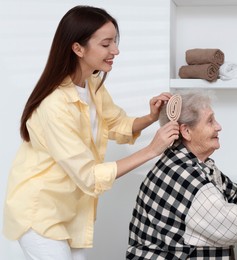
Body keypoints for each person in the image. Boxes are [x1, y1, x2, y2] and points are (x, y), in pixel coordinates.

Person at [3, 5, 179, 260]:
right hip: (40, 213)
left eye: (115, 42)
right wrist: (152, 150)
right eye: (106, 44)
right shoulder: (54, 105)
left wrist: (151, 117)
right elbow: (89, 176)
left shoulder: (92, 85)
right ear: (78, 48)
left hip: (72, 212)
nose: (115, 51)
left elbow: (117, 124)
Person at [127, 90, 237, 259]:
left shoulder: (198, 164)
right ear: (186, 131)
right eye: (210, 121)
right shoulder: (184, 176)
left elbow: (236, 196)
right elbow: (233, 225)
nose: (219, 127)